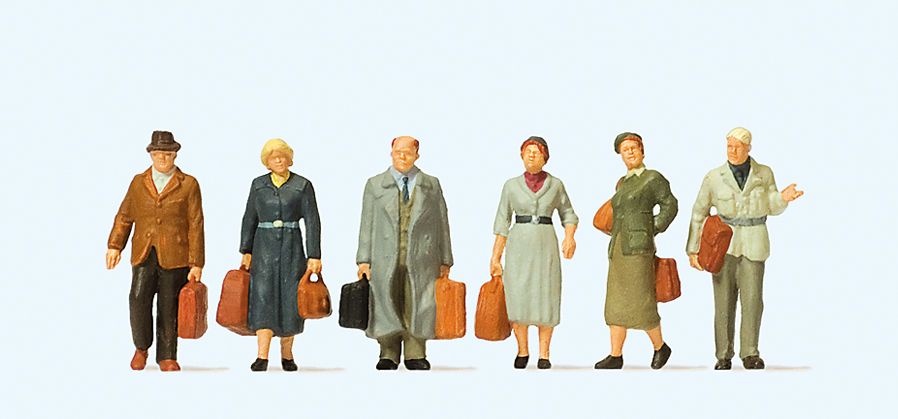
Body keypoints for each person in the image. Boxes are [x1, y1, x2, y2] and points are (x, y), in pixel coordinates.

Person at [686, 127, 803, 370]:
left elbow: (771, 205)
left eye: (738, 147)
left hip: (754, 242)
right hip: (723, 246)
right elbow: (699, 212)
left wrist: (783, 198)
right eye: (729, 146)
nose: (733, 151)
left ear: (749, 148)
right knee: (723, 302)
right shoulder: (714, 177)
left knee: (752, 301)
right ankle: (723, 354)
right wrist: (693, 249)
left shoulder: (764, 173)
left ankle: (750, 352)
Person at [106, 130, 205, 372]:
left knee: (169, 305)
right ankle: (141, 348)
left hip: (176, 254)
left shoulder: (189, 184)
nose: (163, 158)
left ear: (175, 155)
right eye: (159, 153)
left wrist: (196, 263)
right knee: (138, 299)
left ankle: (167, 355)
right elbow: (125, 215)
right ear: (151, 154)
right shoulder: (138, 182)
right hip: (144, 251)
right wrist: (115, 245)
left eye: (168, 154)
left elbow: (196, 224)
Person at [356, 136, 453, 371]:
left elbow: (442, 222)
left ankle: (415, 351)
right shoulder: (375, 185)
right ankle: (388, 352)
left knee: (419, 303)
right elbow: (366, 223)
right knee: (385, 302)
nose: (402, 156)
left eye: (408, 152)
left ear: (417, 155)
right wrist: (363, 259)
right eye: (398, 151)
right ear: (391, 152)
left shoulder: (431, 184)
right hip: (383, 256)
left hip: (422, 256)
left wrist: (445, 258)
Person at [490, 137, 578, 370]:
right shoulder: (511, 186)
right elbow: (501, 222)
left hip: (546, 245)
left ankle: (544, 354)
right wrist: (495, 256)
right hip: (519, 246)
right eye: (527, 151)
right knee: (517, 295)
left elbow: (568, 213)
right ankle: (522, 350)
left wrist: (569, 236)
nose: (531, 155)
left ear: (545, 157)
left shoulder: (556, 185)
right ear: (521, 155)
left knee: (546, 295)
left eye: (537, 152)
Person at [594, 132, 678, 370]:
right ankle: (616, 355)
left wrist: (652, 228)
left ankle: (660, 347)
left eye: (633, 147)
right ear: (620, 155)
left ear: (642, 150)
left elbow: (670, 205)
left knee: (642, 301)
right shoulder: (623, 183)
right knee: (615, 303)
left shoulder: (652, 178)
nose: (630, 152)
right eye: (625, 149)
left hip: (639, 249)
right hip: (619, 248)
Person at [240, 138, 322, 372]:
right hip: (263, 250)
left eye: (282, 156)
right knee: (262, 298)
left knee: (290, 300)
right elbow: (249, 217)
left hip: (292, 249)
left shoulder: (302, 185)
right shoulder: (258, 185)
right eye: (273, 157)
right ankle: (262, 355)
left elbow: (313, 220)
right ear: (266, 162)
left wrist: (314, 255)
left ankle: (287, 354)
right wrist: (246, 250)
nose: (278, 160)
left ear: (289, 159)